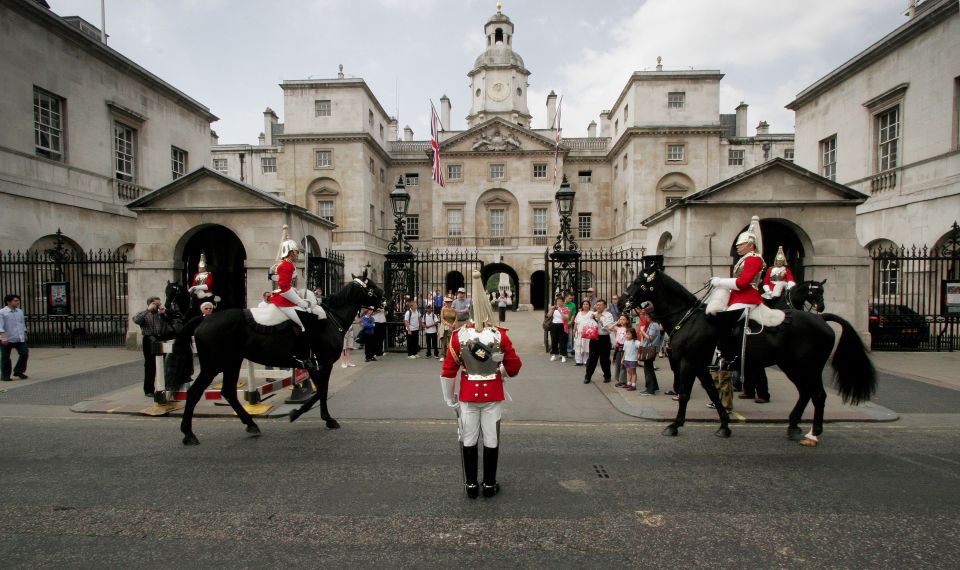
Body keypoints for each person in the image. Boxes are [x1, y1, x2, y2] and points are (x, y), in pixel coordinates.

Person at [440, 269, 522, 499]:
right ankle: (488, 484)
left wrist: (449, 398)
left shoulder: (458, 337)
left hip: (467, 395)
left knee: (468, 438)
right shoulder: (500, 336)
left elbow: (448, 371)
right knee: (491, 438)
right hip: (493, 394)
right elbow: (515, 366)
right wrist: (501, 371)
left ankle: (471, 485)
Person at [708, 215, 766, 370]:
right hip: (738, 297)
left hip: (747, 298)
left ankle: (730, 356)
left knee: (723, 320)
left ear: (750, 245)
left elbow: (742, 283)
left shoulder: (754, 259)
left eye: (741, 245)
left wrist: (720, 281)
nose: (737, 247)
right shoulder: (745, 259)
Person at [132, 296, 174, 397]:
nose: (158, 306)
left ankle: (164, 387)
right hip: (149, 339)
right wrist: (148, 310)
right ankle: (149, 390)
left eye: (159, 304)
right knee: (150, 366)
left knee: (164, 364)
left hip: (161, 339)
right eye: (156, 304)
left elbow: (172, 322)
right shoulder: (144, 314)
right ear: (150, 304)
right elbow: (136, 320)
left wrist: (164, 313)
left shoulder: (161, 314)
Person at [583, 299, 615, 384]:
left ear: (605, 306)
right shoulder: (593, 314)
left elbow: (609, 328)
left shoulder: (608, 315)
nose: (598, 306)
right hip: (594, 338)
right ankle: (588, 376)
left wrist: (599, 319)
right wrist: (592, 320)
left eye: (600, 305)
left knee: (604, 359)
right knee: (592, 359)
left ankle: (607, 376)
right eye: (597, 305)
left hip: (604, 338)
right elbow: (588, 324)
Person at [0, 294, 29, 381]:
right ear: (8, 302)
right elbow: (0, 326)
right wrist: (3, 337)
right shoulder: (2, 312)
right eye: (15, 301)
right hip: (7, 338)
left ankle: (18, 371)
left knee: (24, 353)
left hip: (19, 337)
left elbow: (22, 324)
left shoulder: (19, 311)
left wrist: (24, 333)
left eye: (18, 300)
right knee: (5, 357)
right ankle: (5, 375)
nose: (18, 302)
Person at [639, 307, 662, 395]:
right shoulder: (654, 324)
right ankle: (654, 386)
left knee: (648, 369)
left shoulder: (653, 325)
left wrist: (642, 331)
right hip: (652, 348)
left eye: (646, 315)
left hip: (650, 348)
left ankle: (650, 389)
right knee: (650, 368)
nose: (645, 317)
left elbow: (650, 338)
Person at [548, 295, 569, 363]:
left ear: (563, 302)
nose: (559, 303)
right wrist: (551, 309)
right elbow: (548, 315)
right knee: (554, 340)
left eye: (560, 301)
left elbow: (566, 318)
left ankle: (563, 355)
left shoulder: (565, 309)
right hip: (554, 325)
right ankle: (554, 354)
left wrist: (560, 311)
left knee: (562, 340)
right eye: (557, 301)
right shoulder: (554, 308)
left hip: (562, 325)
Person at [572, 300, 593, 366]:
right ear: (582, 305)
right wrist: (574, 330)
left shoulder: (591, 313)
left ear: (589, 306)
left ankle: (586, 361)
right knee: (578, 346)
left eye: (587, 304)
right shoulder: (579, 313)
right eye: (584, 304)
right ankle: (578, 361)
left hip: (587, 333)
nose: (585, 305)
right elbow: (576, 322)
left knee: (586, 347)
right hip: (579, 333)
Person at [612, 314, 630, 386]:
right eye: (621, 319)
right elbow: (610, 328)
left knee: (623, 365)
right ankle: (618, 378)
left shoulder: (628, 329)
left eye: (623, 319)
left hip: (625, 349)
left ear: (627, 321)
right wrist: (617, 322)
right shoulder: (618, 328)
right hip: (618, 348)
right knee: (618, 363)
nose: (622, 321)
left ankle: (622, 381)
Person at [563, 292, 577, 357]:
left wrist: (571, 321)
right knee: (562, 337)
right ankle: (562, 350)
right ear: (566, 297)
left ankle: (569, 350)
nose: (570, 299)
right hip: (562, 324)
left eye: (571, 298)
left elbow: (573, 314)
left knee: (570, 337)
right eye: (569, 298)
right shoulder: (562, 304)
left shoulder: (573, 305)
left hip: (569, 324)